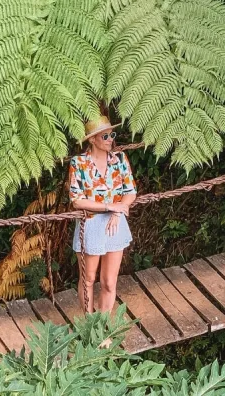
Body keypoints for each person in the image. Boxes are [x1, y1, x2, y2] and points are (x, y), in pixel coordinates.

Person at [68, 115, 137, 321]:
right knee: (88, 279)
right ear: (92, 139)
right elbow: (77, 200)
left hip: (115, 224)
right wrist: (109, 206)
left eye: (112, 135)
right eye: (105, 136)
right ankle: (89, 324)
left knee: (109, 281)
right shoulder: (79, 163)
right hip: (90, 225)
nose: (110, 139)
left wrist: (118, 210)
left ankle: (102, 327)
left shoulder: (119, 160)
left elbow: (130, 190)